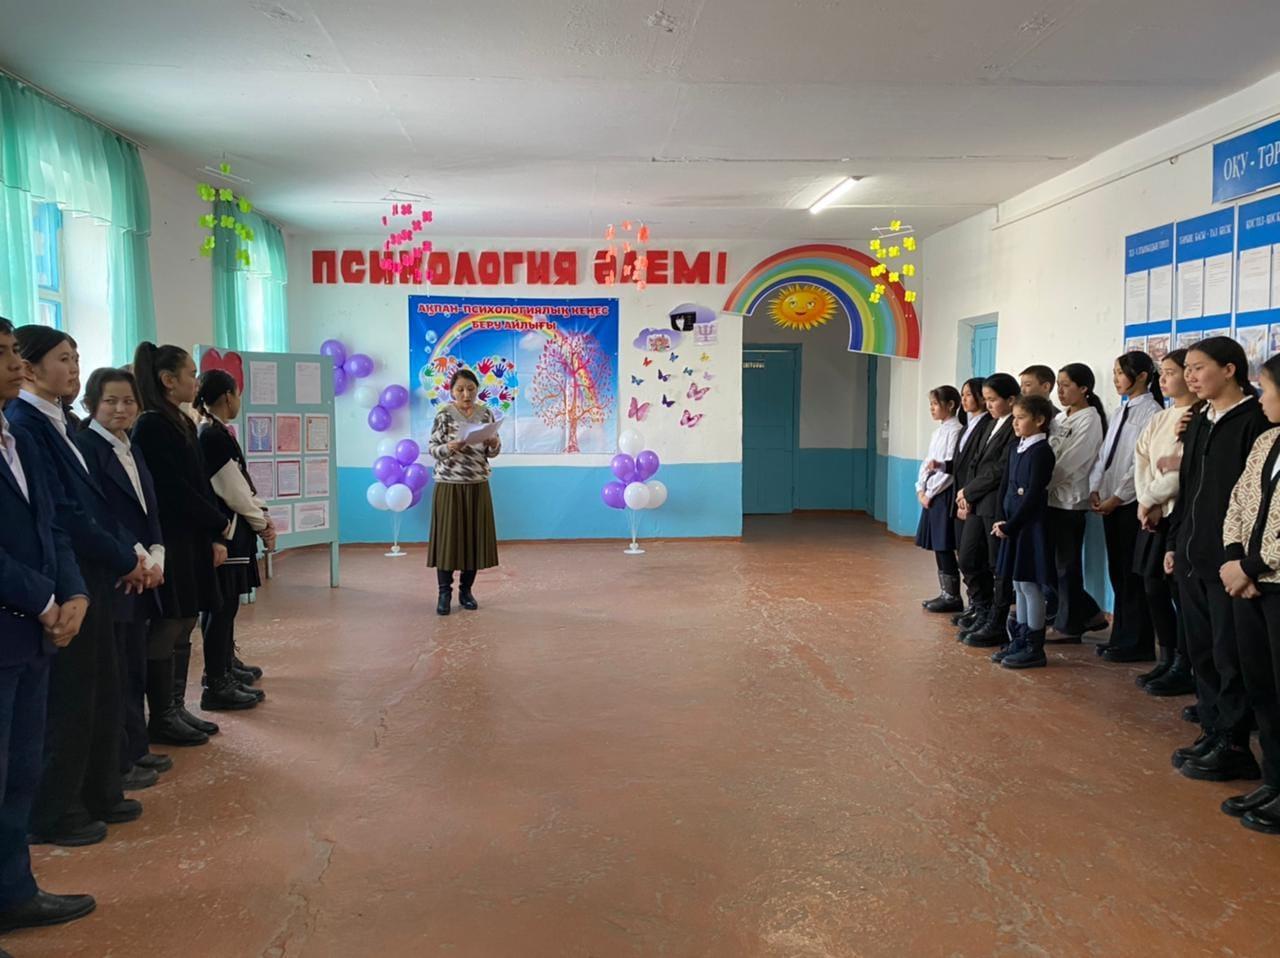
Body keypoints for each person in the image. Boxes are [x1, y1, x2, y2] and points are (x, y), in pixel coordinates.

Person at [8, 327, 145, 846]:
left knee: (100, 689)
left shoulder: (60, 421)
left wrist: (125, 557)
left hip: (87, 578)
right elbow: (64, 514)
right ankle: (59, 808)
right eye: (63, 359)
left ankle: (97, 790)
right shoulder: (27, 424)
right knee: (68, 702)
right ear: (32, 367)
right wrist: (122, 558)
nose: (73, 368)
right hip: (62, 583)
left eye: (76, 357)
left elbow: (83, 510)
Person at [0, 316, 96, 935]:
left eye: (15, 351)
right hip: (16, 621)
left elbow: (51, 525)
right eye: (3, 354)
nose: (17, 364)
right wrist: (44, 598)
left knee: (20, 773)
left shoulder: (14, 438)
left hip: (33, 635)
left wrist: (75, 591)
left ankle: (15, 892)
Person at [1168, 337, 1272, 783]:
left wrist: (1244, 561)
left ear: (1230, 369)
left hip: (1228, 561)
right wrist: (1174, 542)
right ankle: (1213, 730)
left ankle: (1234, 743)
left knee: (1231, 655)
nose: (1190, 376)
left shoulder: (1255, 421)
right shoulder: (1198, 421)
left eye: (1199, 367)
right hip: (1192, 553)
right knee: (1203, 651)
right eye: (1187, 369)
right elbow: (1188, 488)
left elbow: (1256, 501)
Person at [74, 368, 172, 785]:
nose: (120, 408)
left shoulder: (132, 447)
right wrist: (137, 560)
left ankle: (136, 747)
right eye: (110, 401)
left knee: (133, 666)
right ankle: (117, 761)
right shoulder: (86, 448)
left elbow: (150, 507)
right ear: (91, 404)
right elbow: (99, 516)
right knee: (112, 673)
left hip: (142, 571)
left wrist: (158, 553)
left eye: (128, 401)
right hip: (117, 574)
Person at [131, 343, 231, 747]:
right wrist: (216, 520)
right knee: (169, 621)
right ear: (167, 380)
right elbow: (173, 490)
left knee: (186, 618)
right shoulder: (152, 425)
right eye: (191, 373)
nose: (196, 380)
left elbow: (199, 482)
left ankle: (175, 706)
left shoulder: (180, 420)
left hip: (191, 536)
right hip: (172, 537)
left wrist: (212, 528)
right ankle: (162, 715)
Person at [1219, 351, 1280, 833]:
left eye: (1268, 389)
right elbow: (1239, 500)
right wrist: (1234, 556)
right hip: (1249, 582)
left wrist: (1251, 567)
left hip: (1270, 581)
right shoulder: (1267, 440)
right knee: (1262, 687)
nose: (1261, 398)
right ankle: (1273, 780)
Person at [194, 370, 275, 710]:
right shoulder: (212, 435)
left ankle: (225, 665)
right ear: (228, 396)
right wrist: (262, 523)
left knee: (225, 606)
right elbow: (234, 490)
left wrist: (259, 514)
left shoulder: (214, 431)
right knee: (221, 606)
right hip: (227, 532)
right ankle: (217, 680)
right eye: (238, 394)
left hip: (231, 529)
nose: (239, 401)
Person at [1089, 351, 1163, 662]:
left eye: (1121, 373)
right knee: (1118, 572)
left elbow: (1139, 465)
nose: (1116, 379)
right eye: (1115, 373)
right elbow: (1104, 455)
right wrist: (1095, 487)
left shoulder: (1152, 412)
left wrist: (1117, 497)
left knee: (1132, 575)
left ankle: (1138, 642)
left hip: (1130, 504)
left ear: (1142, 376)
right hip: (1109, 501)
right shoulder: (1121, 411)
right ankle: (1120, 636)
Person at [1133, 350, 1197, 694]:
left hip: (1177, 513)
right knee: (1152, 586)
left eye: (1171, 372)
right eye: (1162, 372)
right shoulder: (1160, 417)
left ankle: (1185, 664)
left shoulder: (1196, 416)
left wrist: (1154, 500)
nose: (1164, 379)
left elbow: (1181, 468)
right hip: (1152, 510)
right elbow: (1142, 458)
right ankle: (1167, 656)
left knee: (1179, 593)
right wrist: (1147, 500)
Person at [991, 394, 1058, 669]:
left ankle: (1034, 645)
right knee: (1017, 583)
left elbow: (1032, 496)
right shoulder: (1015, 448)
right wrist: (1001, 519)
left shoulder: (1042, 452)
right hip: (1012, 525)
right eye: (1014, 418)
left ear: (1039, 420)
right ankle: (1019, 638)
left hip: (1029, 526)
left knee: (1030, 585)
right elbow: (1006, 486)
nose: (1015, 423)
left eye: (1021, 418)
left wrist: (1011, 525)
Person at [428, 369, 501, 615]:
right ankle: (444, 594)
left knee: (474, 541)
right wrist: (449, 446)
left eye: (470, 389)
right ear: (452, 391)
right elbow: (433, 449)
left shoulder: (486, 414)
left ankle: (466, 591)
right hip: (449, 485)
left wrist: (494, 443)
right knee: (448, 541)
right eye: (460, 389)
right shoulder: (444, 415)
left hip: (477, 484)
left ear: (477, 389)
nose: (466, 394)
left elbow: (493, 452)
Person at [1045, 363, 1108, 642]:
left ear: (1084, 389)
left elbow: (1071, 462)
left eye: (1066, 385)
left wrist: (1041, 485)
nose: (1060, 390)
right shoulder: (1060, 418)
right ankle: (1090, 612)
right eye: (1058, 385)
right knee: (1052, 565)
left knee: (1066, 566)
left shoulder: (1089, 420)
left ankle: (1070, 626)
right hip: (1050, 499)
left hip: (1069, 502)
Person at [957, 373, 1020, 648]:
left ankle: (997, 620)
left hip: (995, 503)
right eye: (986, 399)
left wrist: (970, 491)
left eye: (993, 399)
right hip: (977, 502)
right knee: (968, 557)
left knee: (997, 564)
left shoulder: (1014, 426)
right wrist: (966, 494)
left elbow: (999, 469)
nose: (989, 404)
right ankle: (981, 608)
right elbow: (976, 461)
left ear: (1011, 399)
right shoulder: (990, 423)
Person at [948, 378, 993, 630]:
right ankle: (975, 604)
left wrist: (969, 498)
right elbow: (962, 464)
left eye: (968, 394)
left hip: (972, 499)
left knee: (973, 557)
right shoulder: (967, 426)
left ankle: (982, 605)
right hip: (960, 498)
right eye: (962, 394)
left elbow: (978, 469)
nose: (964, 399)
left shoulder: (986, 424)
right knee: (963, 555)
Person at [916, 386, 964, 613]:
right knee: (938, 545)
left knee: (944, 544)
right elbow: (928, 463)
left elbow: (948, 469)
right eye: (931, 404)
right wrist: (920, 488)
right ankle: (946, 592)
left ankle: (953, 596)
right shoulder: (938, 432)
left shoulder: (956, 431)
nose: (932, 409)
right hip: (931, 493)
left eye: (936, 404)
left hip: (943, 493)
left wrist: (930, 492)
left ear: (951, 405)